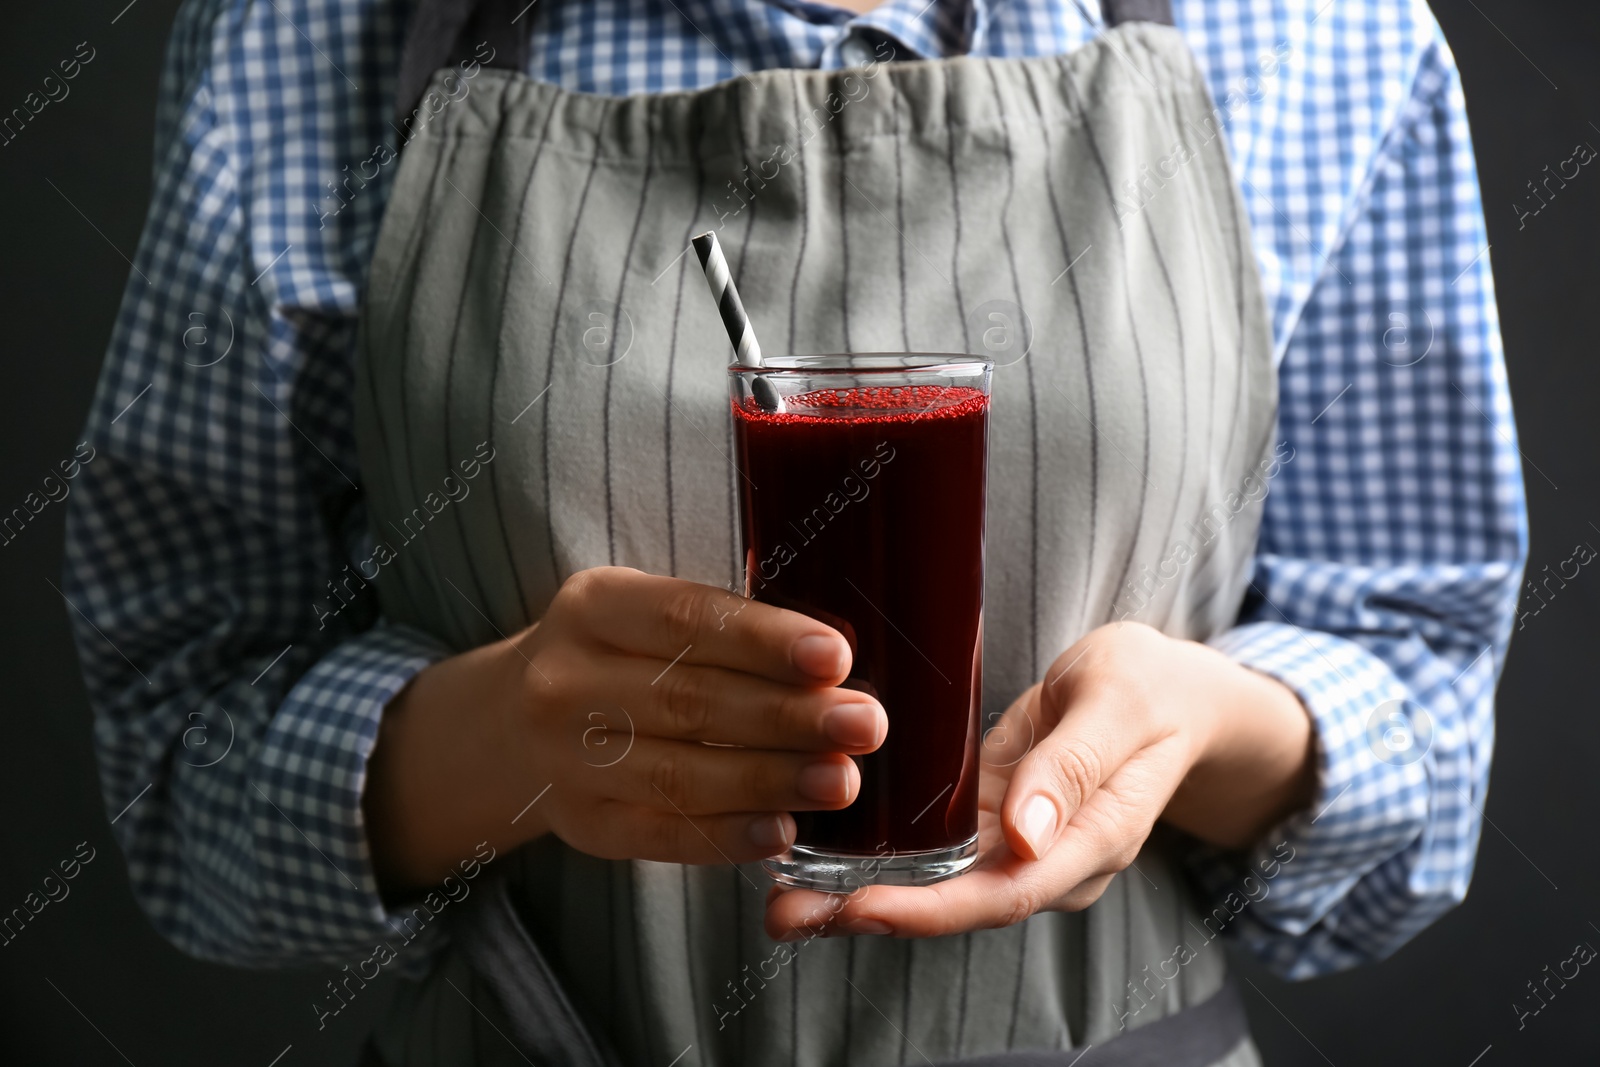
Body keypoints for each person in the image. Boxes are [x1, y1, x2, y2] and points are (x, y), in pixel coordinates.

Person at [64, 0, 1526, 1063]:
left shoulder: (1324, 38)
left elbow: (1428, 739)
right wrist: (499, 736)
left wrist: (1208, 729)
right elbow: (180, 783)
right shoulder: (301, 37)